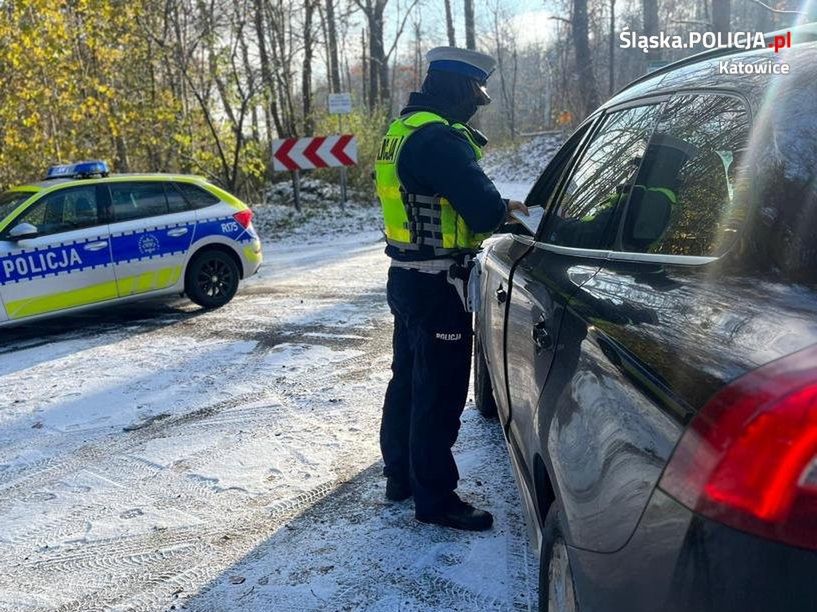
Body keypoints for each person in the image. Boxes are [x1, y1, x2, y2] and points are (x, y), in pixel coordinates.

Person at [374, 46, 528, 531]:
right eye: (476, 95)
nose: (478, 105)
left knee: (408, 382)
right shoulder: (440, 140)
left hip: (406, 277)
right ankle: (436, 499)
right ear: (459, 88)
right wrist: (511, 210)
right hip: (440, 286)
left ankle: (400, 477)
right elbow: (482, 212)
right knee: (439, 393)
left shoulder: (402, 132)